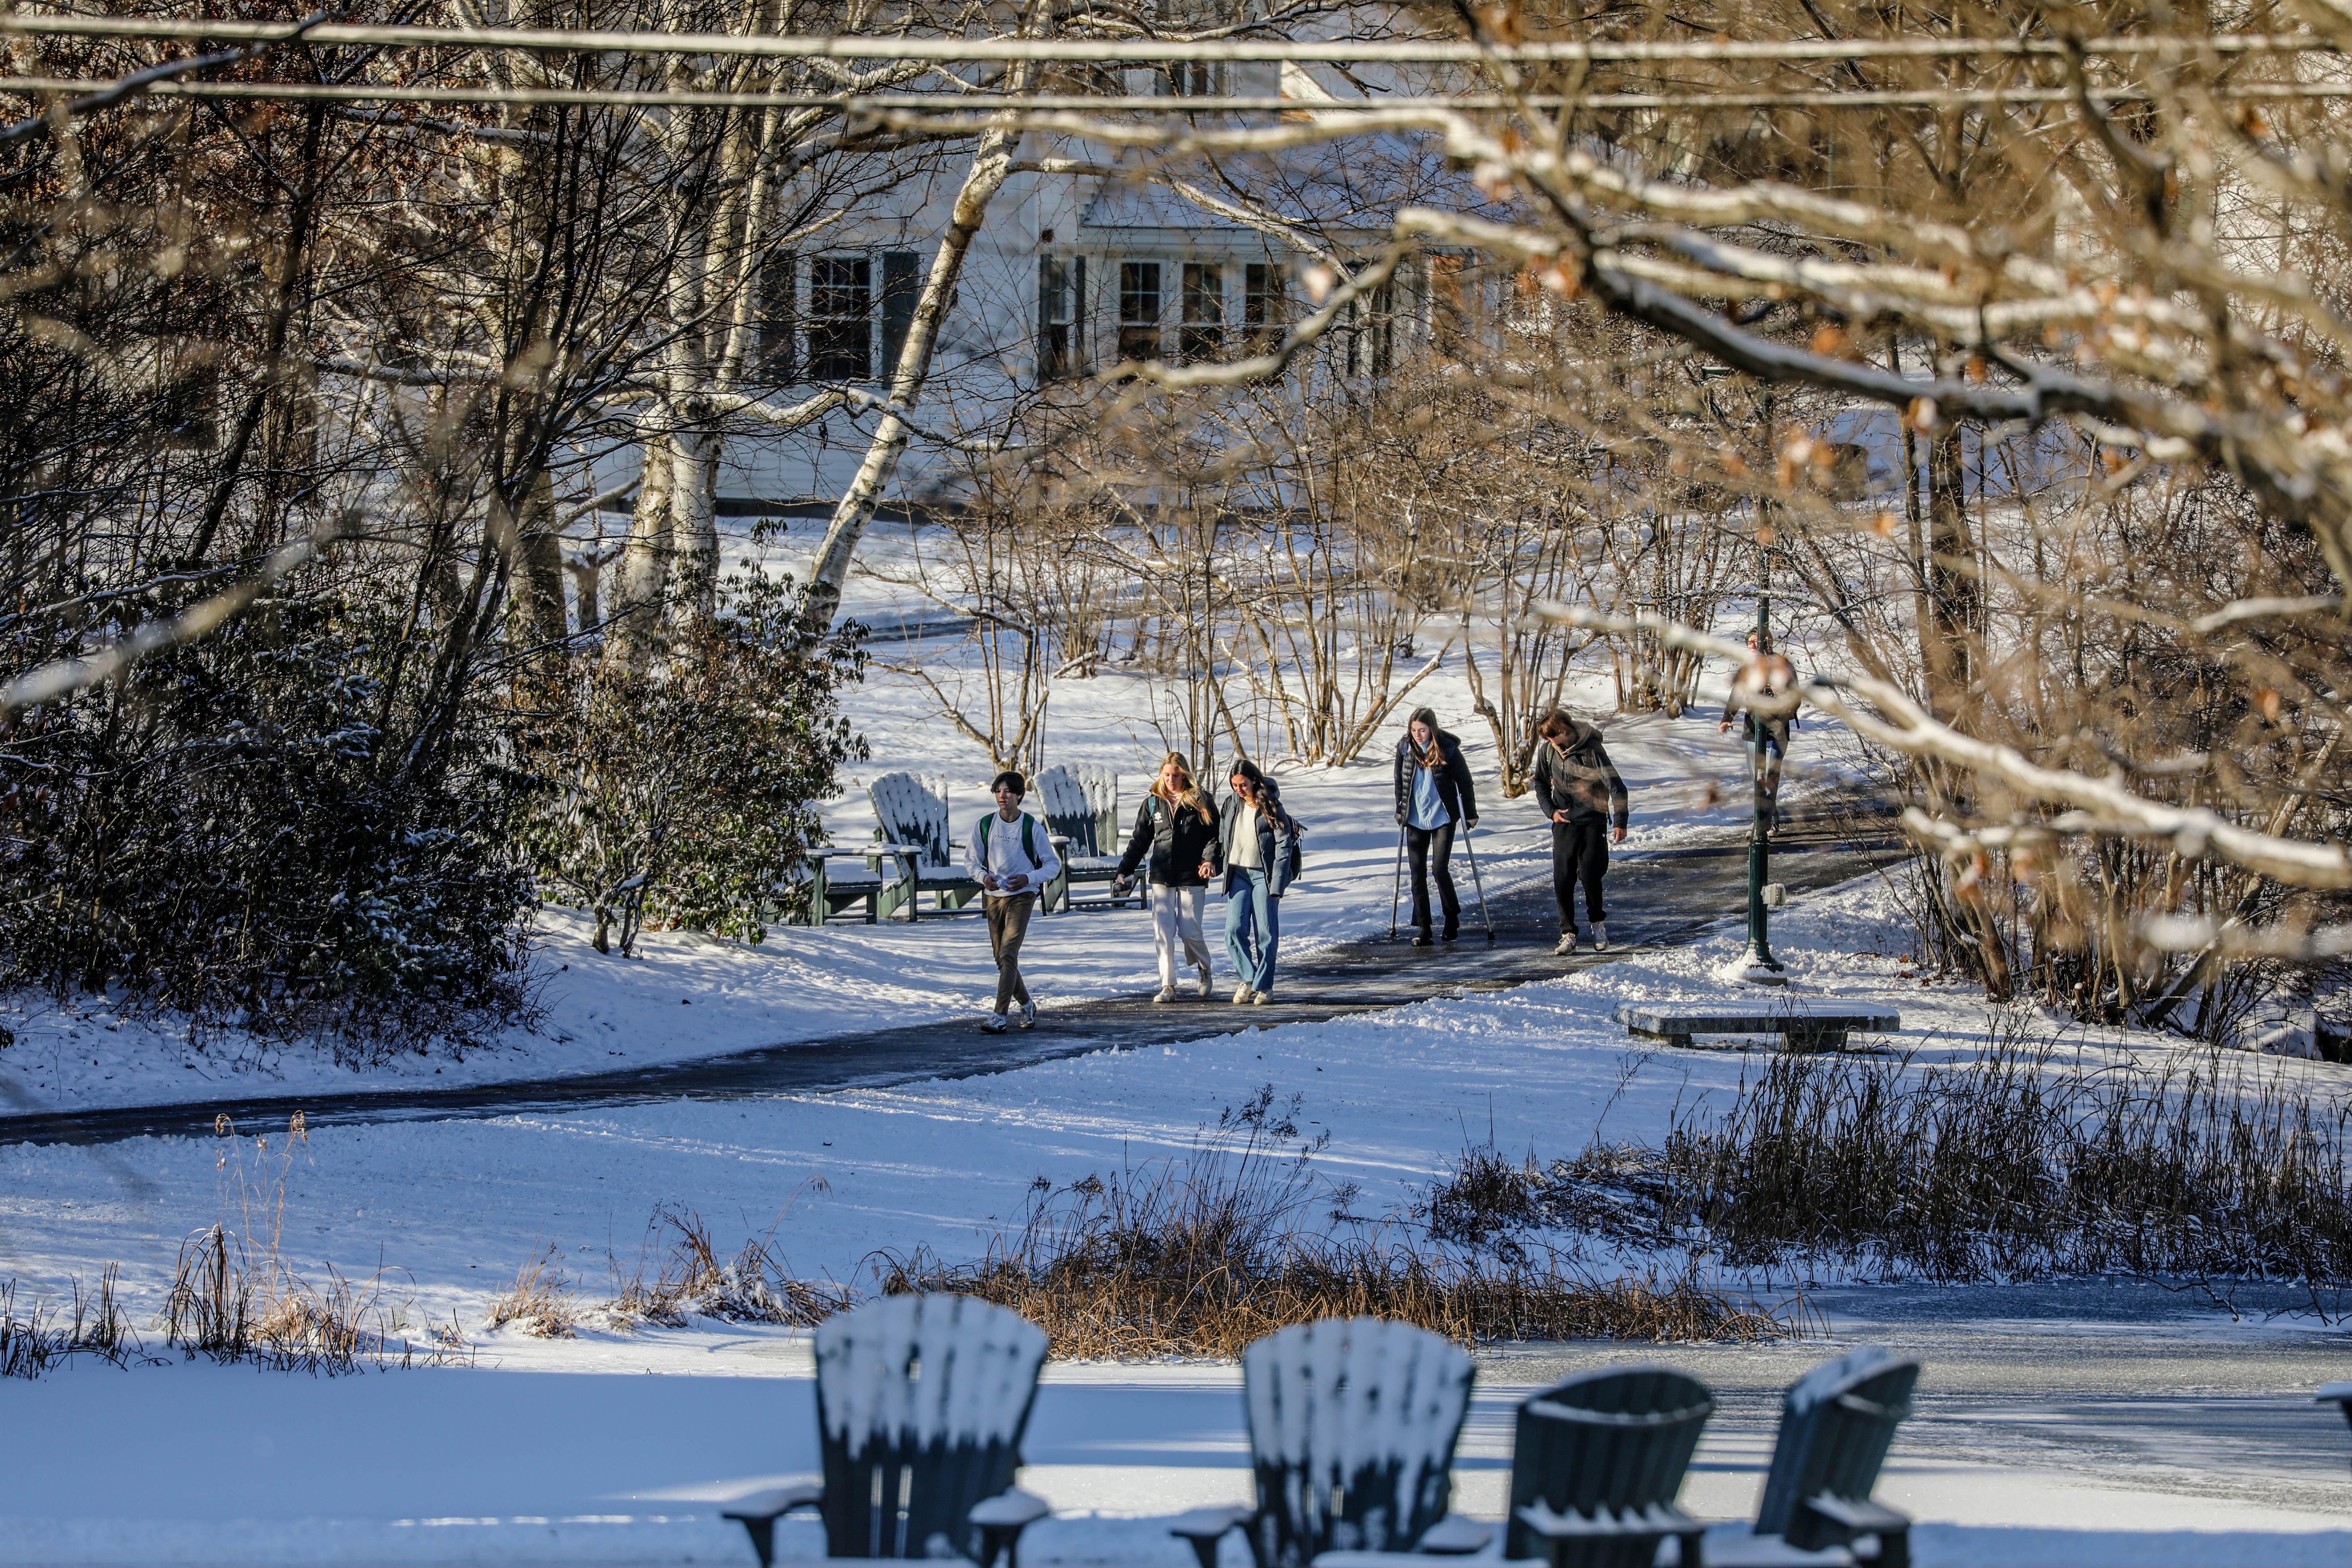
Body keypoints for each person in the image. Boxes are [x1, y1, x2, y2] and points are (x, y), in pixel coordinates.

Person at [1113, 752, 1223, 1002]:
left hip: (1192, 875)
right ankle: (1168, 985)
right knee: (1163, 931)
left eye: (1176, 775)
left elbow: (1214, 837)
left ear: (1184, 775)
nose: (1171, 780)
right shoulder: (1153, 803)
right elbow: (1140, 841)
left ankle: (1204, 968)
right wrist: (1124, 870)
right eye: (1167, 775)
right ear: (1161, 775)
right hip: (1161, 875)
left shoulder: (1201, 801)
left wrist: (1209, 860)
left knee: (1189, 931)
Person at [962, 769, 1062, 1033]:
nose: (1002, 796)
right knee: (1001, 959)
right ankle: (1027, 1004)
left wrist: (1029, 877)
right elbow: (971, 861)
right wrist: (984, 878)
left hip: (1023, 896)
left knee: (1008, 953)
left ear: (1019, 795)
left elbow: (1053, 865)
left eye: (1007, 791)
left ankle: (999, 1016)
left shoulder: (1031, 827)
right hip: (994, 897)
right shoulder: (985, 825)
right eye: (998, 791)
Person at [1530, 708, 1628, 957]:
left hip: (1592, 820)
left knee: (1590, 874)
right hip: (1563, 822)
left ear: (1563, 731)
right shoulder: (1549, 751)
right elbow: (1540, 783)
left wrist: (1620, 822)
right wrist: (1551, 811)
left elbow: (1616, 787)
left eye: (1551, 737)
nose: (1548, 742)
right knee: (1562, 877)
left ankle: (1597, 923)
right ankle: (1568, 933)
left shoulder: (1592, 750)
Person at [1392, 706, 1479, 945]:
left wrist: (1470, 813)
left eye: (1422, 730)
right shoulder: (1404, 748)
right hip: (1415, 818)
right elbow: (1400, 781)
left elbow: (1465, 782)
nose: (1417, 735)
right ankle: (1424, 926)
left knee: (1439, 870)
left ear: (1432, 728)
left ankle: (1451, 918)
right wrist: (1400, 808)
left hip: (1443, 816)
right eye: (1413, 730)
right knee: (1416, 874)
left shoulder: (1447, 748)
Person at [1217, 758, 1296, 1005]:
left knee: (1266, 932)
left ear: (1254, 781)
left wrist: (1278, 881)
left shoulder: (1270, 804)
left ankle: (1264, 987)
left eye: (1243, 785)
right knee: (1233, 929)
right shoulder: (1231, 804)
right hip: (1238, 873)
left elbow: (1284, 843)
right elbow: (1222, 836)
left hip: (1264, 874)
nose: (1239, 790)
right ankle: (1248, 978)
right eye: (1235, 785)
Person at [1720, 629, 1797, 822]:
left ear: (1768, 643)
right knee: (1758, 780)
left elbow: (1796, 694)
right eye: (1750, 642)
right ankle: (1768, 818)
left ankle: (1764, 823)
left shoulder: (1781, 666)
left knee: (1771, 778)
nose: (1753, 646)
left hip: (1778, 731)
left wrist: (1789, 708)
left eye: (1757, 642)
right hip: (1753, 730)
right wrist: (1727, 719)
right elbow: (1737, 696)